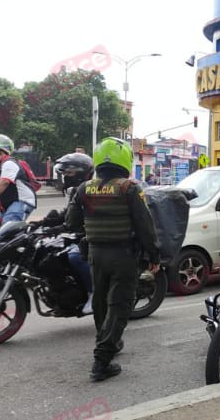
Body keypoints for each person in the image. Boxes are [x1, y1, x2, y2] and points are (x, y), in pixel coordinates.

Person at [66, 137, 160, 381]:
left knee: (100, 301)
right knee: (119, 305)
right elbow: (145, 226)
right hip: (124, 255)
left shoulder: (84, 189)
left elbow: (71, 222)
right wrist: (154, 254)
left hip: (95, 254)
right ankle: (101, 361)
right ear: (124, 160)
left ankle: (109, 342)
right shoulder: (129, 188)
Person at [44, 152, 96, 314]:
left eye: (69, 172)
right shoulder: (76, 191)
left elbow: (79, 221)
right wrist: (44, 223)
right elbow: (68, 214)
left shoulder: (91, 190)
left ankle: (93, 293)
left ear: (82, 172)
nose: (66, 176)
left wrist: (60, 228)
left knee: (75, 256)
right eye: (64, 173)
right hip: (79, 234)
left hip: (92, 235)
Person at [0, 134, 37, 224]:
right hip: (9, 205)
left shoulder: (9, 163)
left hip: (21, 201)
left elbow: (4, 182)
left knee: (7, 228)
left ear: (2, 152)